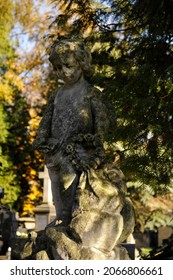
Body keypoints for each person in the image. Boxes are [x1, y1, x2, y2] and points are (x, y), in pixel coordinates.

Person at [33, 37, 113, 227]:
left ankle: (68, 217)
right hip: (55, 147)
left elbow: (101, 121)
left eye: (67, 65)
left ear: (81, 62)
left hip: (79, 150)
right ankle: (60, 215)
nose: (63, 72)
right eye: (59, 68)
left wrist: (97, 143)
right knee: (55, 182)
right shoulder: (57, 94)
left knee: (68, 179)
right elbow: (47, 119)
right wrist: (41, 138)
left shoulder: (90, 93)